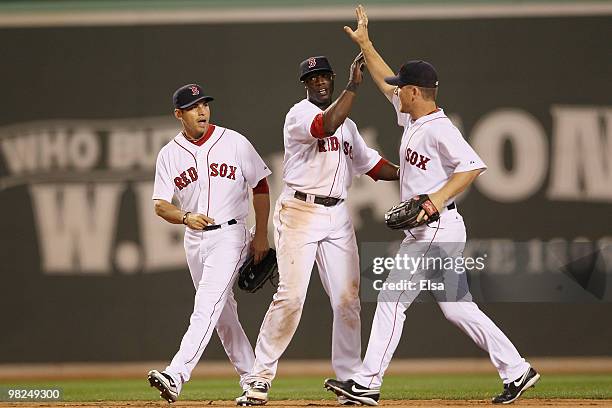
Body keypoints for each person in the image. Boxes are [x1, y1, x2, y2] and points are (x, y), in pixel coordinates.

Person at [324, 5, 540, 406]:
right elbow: (383, 81)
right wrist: (367, 44)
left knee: (391, 300)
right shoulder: (411, 118)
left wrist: (433, 201)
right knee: (458, 308)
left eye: (401, 87)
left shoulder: (440, 128)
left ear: (415, 92)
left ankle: (367, 383)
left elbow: (473, 166)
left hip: (436, 227)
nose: (395, 90)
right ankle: (518, 369)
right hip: (435, 228)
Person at [236, 54, 400, 406]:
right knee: (291, 297)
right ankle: (258, 377)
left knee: (347, 300)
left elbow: (372, 165)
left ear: (331, 77)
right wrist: (354, 86)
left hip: (338, 215)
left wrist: (410, 174)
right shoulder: (299, 114)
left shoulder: (350, 127)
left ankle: (350, 379)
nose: (320, 82)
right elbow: (325, 125)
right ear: (305, 85)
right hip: (299, 211)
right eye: (313, 78)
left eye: (325, 76)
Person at [147, 83, 272, 403]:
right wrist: (186, 216)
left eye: (205, 104)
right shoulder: (169, 154)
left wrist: (260, 235)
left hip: (231, 235)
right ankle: (252, 378)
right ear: (179, 114)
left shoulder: (234, 142)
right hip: (195, 239)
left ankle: (176, 374)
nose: (202, 110)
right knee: (223, 315)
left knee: (206, 307)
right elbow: (160, 205)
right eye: (193, 107)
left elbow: (260, 185)